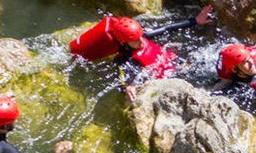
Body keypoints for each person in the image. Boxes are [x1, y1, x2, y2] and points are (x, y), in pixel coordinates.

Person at [70, 6, 215, 101]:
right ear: (123, 42)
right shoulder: (124, 59)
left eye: (140, 35)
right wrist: (128, 87)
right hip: (168, 79)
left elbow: (168, 28)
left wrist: (195, 21)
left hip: (174, 66)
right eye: (135, 39)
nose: (141, 39)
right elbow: (122, 75)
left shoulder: (141, 36)